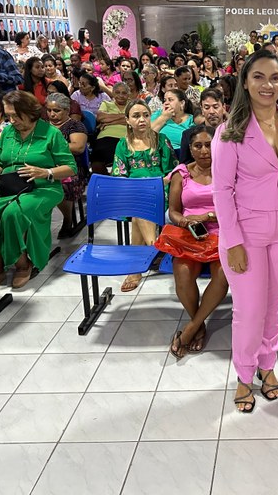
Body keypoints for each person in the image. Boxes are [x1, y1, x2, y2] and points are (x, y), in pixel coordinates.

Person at [212, 50, 278, 414]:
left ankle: (267, 364)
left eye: (275, 78)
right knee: (249, 310)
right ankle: (244, 373)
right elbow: (222, 191)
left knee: (274, 305)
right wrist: (232, 241)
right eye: (259, 77)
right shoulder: (230, 131)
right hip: (246, 233)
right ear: (245, 82)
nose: (268, 85)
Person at [0, 91, 77, 290]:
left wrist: (45, 172)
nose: (12, 120)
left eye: (16, 115)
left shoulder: (50, 133)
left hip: (43, 187)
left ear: (30, 112)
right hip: (10, 187)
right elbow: (0, 163)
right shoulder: (8, 132)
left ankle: (22, 264)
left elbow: (71, 167)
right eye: (8, 115)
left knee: (13, 213)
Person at [167, 124, 227, 356]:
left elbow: (237, 206)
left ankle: (190, 328)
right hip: (190, 234)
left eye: (209, 145)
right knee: (182, 272)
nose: (204, 151)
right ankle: (198, 324)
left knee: (222, 274)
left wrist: (208, 217)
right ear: (190, 149)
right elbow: (173, 211)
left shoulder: (228, 169)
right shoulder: (181, 173)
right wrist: (185, 221)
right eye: (198, 146)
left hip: (222, 232)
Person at [112, 99, 177, 291]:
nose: (142, 119)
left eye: (146, 115)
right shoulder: (123, 145)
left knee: (139, 208)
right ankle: (155, 246)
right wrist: (137, 187)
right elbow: (119, 175)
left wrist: (160, 182)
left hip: (160, 190)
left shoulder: (161, 140)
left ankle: (136, 267)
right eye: (136, 116)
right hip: (132, 192)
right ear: (127, 120)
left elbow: (173, 171)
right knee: (138, 200)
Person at [45, 93, 88, 238]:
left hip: (71, 168)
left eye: (56, 110)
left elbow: (78, 147)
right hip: (45, 166)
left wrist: (51, 147)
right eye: (49, 110)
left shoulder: (75, 126)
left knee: (60, 182)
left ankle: (68, 218)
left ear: (67, 110)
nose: (52, 114)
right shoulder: (42, 126)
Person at [179, 89, 227, 163]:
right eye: (207, 107)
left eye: (215, 107)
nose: (211, 112)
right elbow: (184, 166)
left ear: (224, 108)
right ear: (202, 109)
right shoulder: (188, 135)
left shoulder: (234, 133)